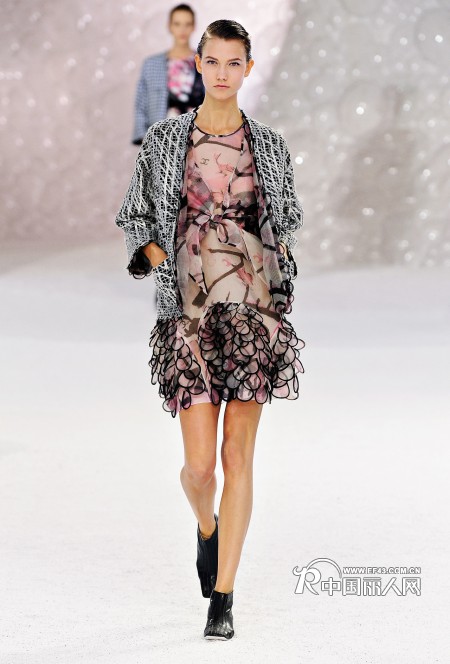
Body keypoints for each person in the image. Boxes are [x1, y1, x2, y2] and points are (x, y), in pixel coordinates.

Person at [115, 18, 306, 641]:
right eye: (214, 61)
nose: (223, 73)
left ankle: (223, 597)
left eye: (234, 62)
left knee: (236, 454)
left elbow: (290, 214)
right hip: (190, 311)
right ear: (199, 65)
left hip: (253, 309)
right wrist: (151, 253)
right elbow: (134, 212)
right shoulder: (166, 140)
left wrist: (270, 242)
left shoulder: (269, 143)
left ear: (248, 68)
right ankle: (207, 528)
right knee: (199, 469)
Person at [131, 3, 205, 145]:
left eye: (187, 24)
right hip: (161, 142)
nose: (182, 30)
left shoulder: (206, 63)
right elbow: (141, 103)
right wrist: (145, 139)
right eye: (177, 24)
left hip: (198, 141)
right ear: (170, 26)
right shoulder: (152, 64)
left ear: (194, 27)